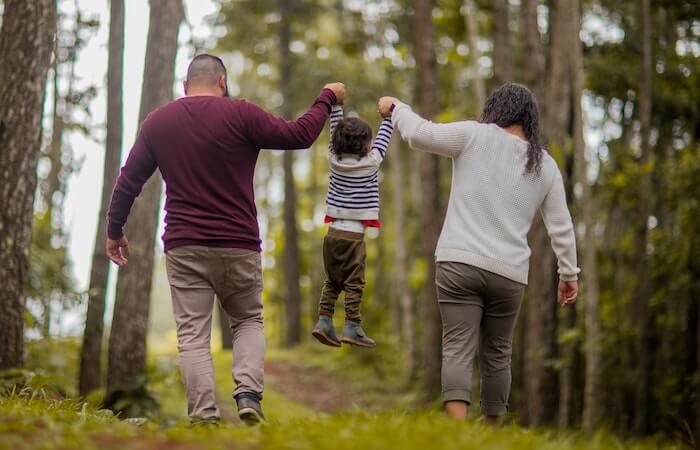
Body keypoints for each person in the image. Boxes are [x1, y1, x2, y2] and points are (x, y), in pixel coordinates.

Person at [106, 53, 345, 425]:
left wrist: (114, 230)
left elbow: (128, 181)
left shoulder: (159, 122)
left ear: (185, 87)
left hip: (184, 245)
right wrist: (326, 97)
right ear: (222, 81)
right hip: (238, 242)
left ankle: (203, 417)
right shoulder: (241, 113)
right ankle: (249, 394)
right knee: (248, 319)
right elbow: (299, 135)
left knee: (192, 337)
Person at [377, 83, 580, 424]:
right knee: (498, 354)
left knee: (458, 346)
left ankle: (458, 434)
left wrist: (397, 107)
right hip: (509, 274)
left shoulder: (474, 135)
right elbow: (561, 226)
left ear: (496, 110)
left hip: (459, 263)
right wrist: (569, 275)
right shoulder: (545, 166)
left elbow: (419, 134)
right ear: (530, 119)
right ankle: (491, 434)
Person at [311, 103, 394, 348]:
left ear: (337, 142)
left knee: (332, 280)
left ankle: (324, 320)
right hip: (354, 237)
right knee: (354, 283)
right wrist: (388, 117)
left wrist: (336, 106)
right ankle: (352, 326)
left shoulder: (333, 159)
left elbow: (333, 129)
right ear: (366, 144)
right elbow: (383, 139)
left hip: (332, 234)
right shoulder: (372, 162)